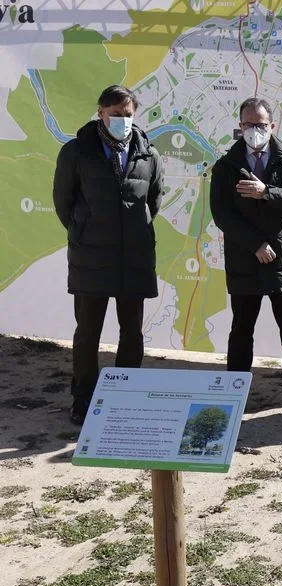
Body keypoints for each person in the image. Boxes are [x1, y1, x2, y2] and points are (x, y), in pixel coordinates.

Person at [52, 85, 164, 425]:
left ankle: (125, 394)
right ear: (101, 112)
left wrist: (132, 231)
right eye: (116, 115)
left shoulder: (148, 154)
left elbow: (154, 200)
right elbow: (63, 202)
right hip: (91, 258)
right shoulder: (77, 152)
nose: (122, 121)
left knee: (132, 333)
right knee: (88, 333)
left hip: (134, 257)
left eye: (127, 115)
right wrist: (86, 230)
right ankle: (83, 399)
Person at [209, 97, 282, 409]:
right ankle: (235, 388)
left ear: (272, 126)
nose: (254, 130)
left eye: (260, 124)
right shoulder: (226, 166)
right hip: (245, 258)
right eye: (248, 124)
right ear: (239, 126)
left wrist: (266, 192)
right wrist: (254, 244)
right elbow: (222, 214)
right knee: (242, 328)